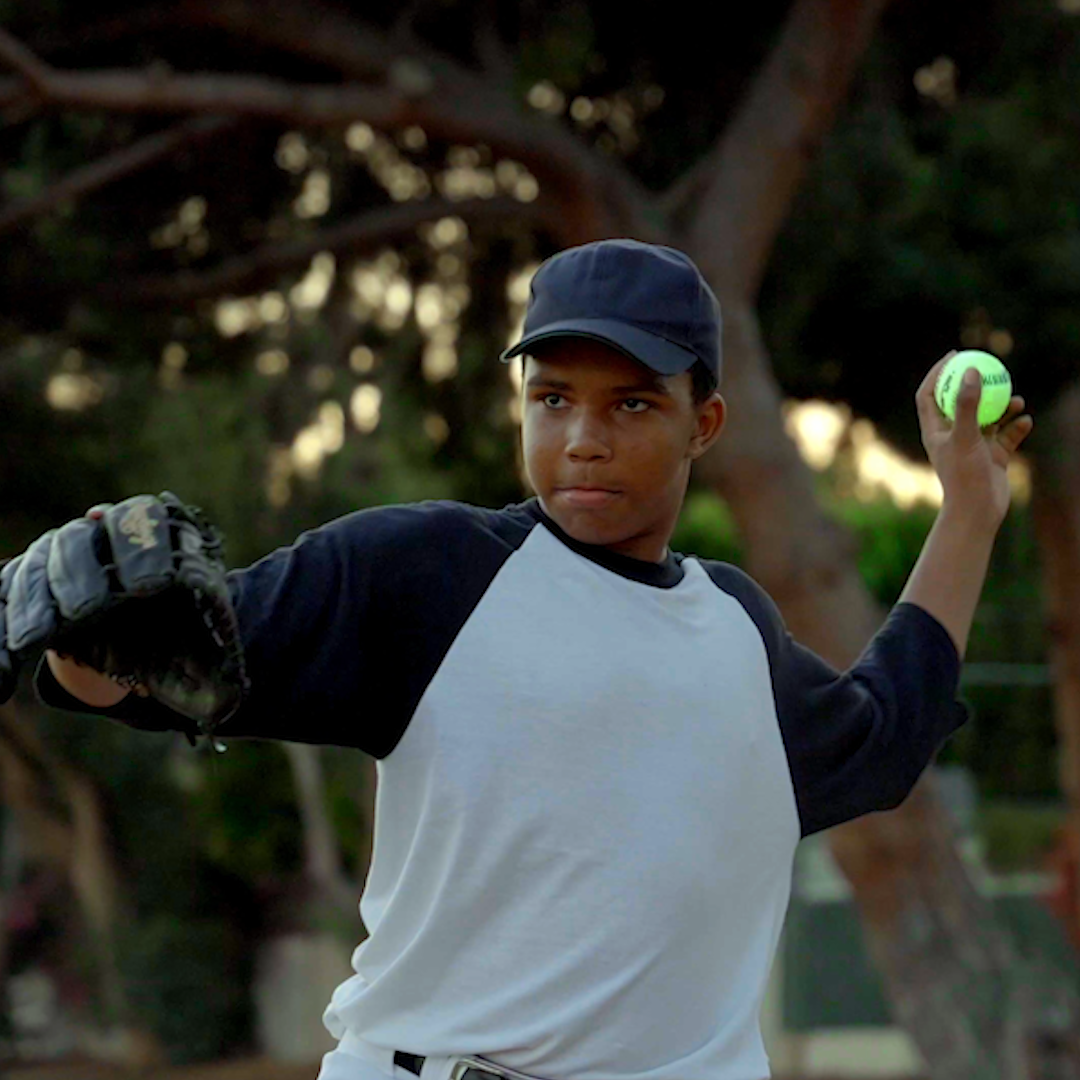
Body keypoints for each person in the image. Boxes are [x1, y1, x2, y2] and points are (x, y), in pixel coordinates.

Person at [32, 239, 1032, 1080]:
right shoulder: (428, 574)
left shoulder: (737, 633)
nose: (583, 438)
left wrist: (970, 511)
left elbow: (888, 733)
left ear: (706, 423)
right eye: (552, 398)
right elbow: (158, 678)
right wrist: (88, 648)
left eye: (631, 404)